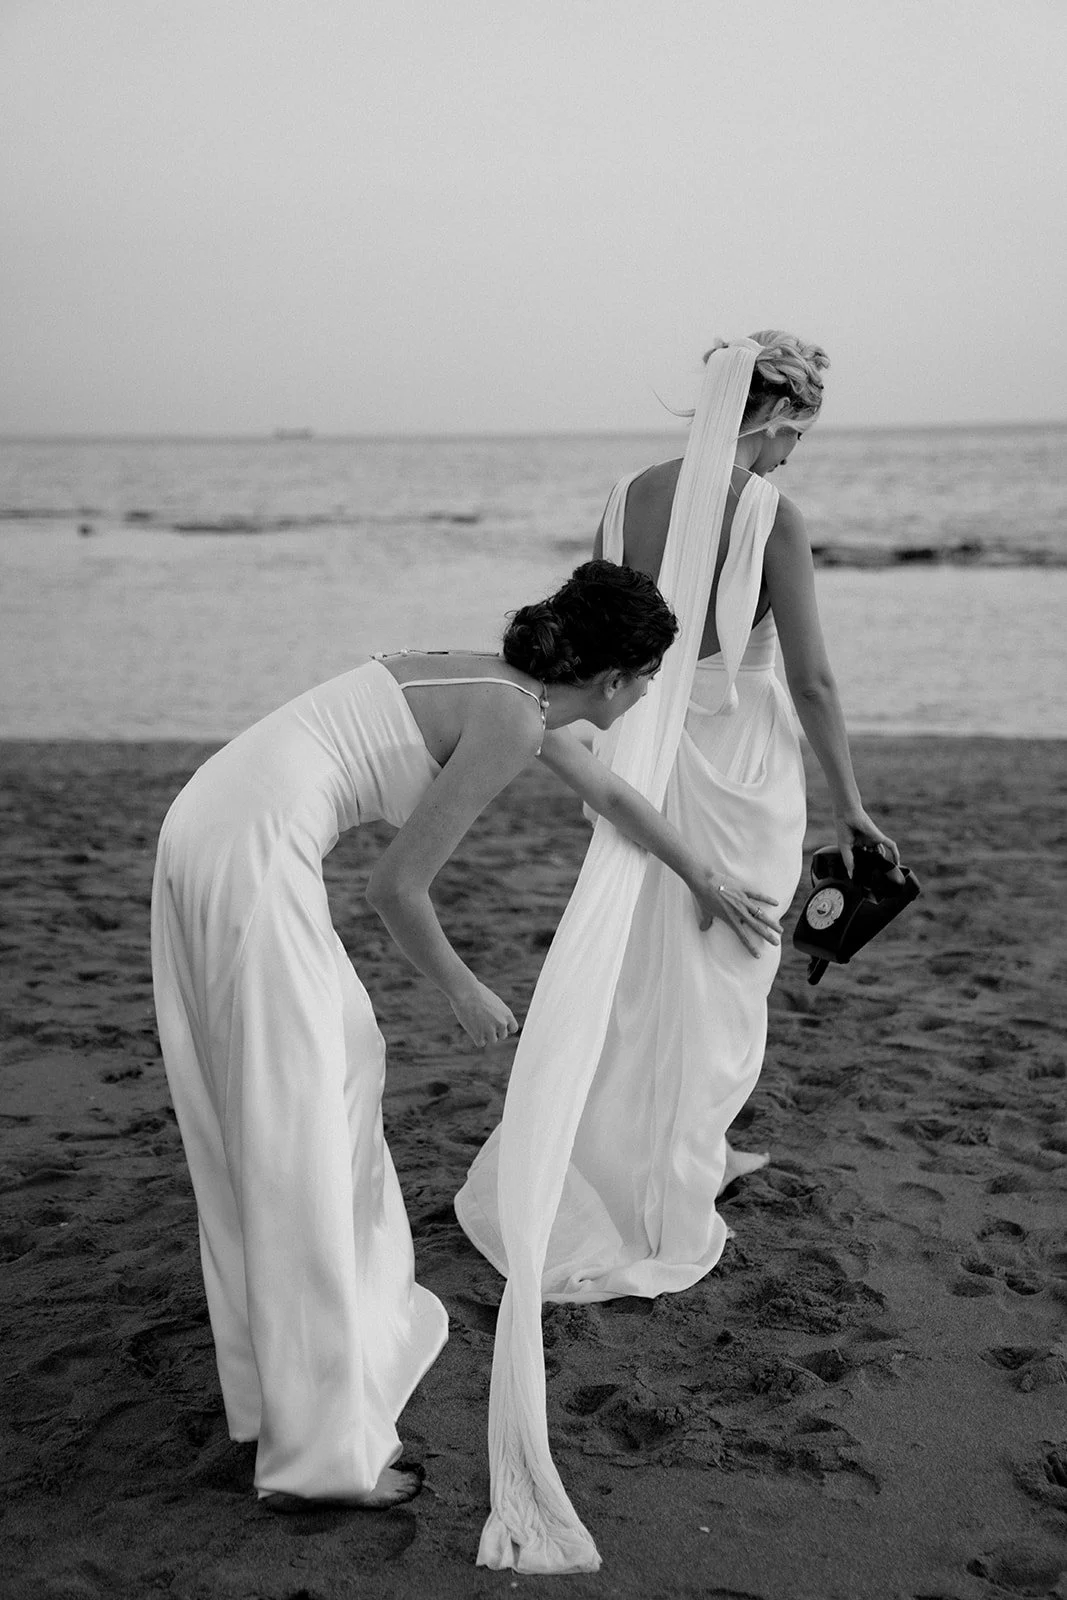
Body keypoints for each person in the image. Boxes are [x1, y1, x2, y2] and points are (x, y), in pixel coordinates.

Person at [150, 559, 778, 1513]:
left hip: (211, 825)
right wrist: (464, 989)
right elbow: (394, 887)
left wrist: (698, 874)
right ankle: (321, 1457)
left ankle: (289, 1381)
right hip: (244, 853)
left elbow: (608, 797)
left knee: (331, 1080)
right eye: (649, 675)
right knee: (301, 1117)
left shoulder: (505, 689)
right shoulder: (511, 716)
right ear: (611, 678)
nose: (651, 691)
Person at [454, 334, 899, 1574]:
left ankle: (645, 1152)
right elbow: (805, 678)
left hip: (642, 762)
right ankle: (669, 1182)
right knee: (719, 976)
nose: (793, 446)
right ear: (774, 420)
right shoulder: (771, 511)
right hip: (742, 769)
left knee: (644, 968)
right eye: (794, 425)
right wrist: (852, 805)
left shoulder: (621, 496)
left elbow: (602, 643)